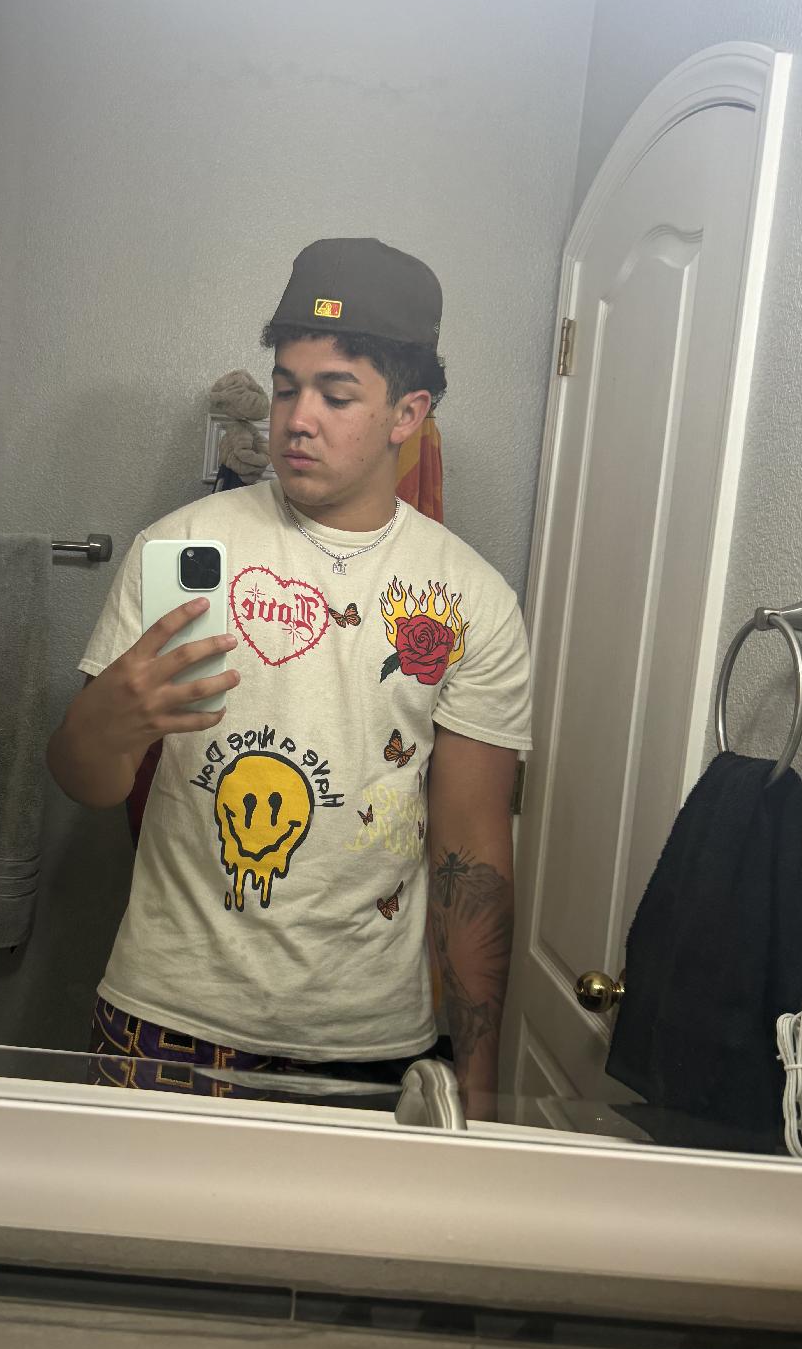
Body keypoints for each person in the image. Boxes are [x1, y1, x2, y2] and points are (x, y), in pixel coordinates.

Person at [47, 239, 532, 1116]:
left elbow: (471, 850)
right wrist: (106, 722)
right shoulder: (182, 547)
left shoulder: (473, 600)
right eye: (285, 389)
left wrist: (482, 1072)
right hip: (165, 1015)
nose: (297, 419)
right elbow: (86, 783)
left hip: (366, 1044)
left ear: (407, 413)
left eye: (336, 395)